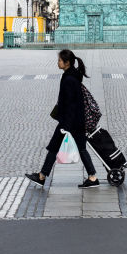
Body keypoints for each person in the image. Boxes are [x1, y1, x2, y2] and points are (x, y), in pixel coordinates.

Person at [25, 50, 100, 188]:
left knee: (54, 147)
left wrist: (66, 125)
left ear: (67, 63)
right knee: (79, 148)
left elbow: (71, 104)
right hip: (76, 121)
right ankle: (92, 177)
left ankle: (42, 176)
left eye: (60, 60)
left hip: (70, 122)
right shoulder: (72, 76)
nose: (58, 62)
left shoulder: (69, 79)